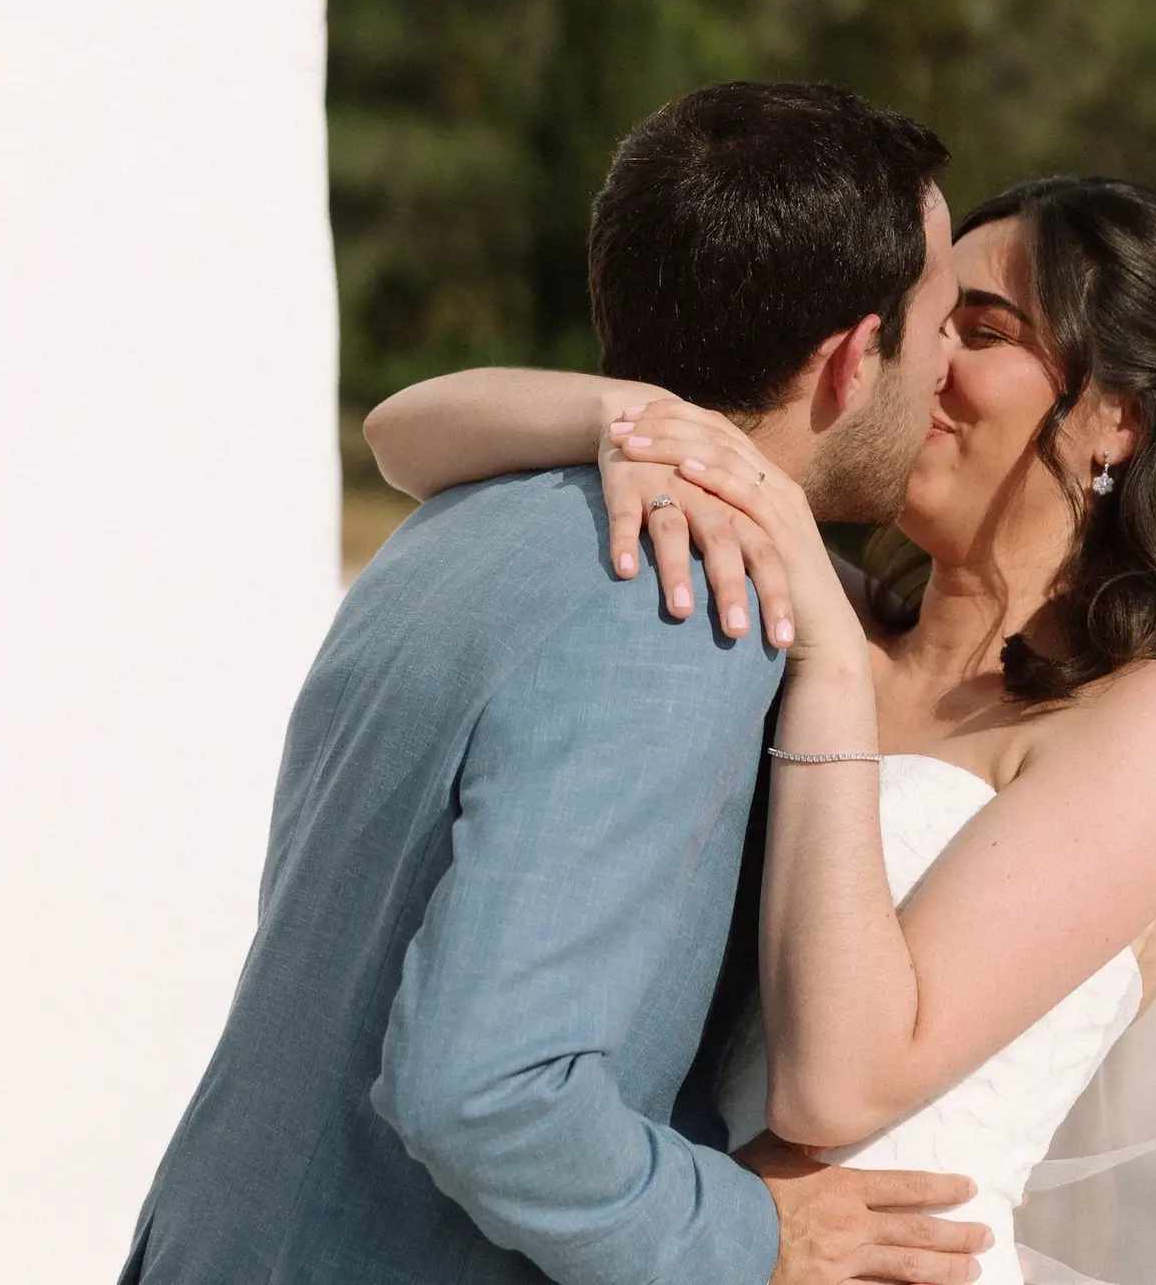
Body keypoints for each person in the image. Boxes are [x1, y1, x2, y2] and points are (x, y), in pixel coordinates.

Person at [369, 176, 1156, 1282]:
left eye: (981, 327)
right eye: (932, 319)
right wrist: (648, 424)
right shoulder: (815, 599)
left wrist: (826, 670)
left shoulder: (1151, 724)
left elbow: (839, 1080)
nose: (923, 364)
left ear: (1116, 417)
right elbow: (408, 433)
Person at [118, 81, 992, 1285]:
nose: (948, 365)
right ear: (851, 360)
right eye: (943, 319)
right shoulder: (683, 599)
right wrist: (754, 1237)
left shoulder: (464, 516)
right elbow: (487, 1089)